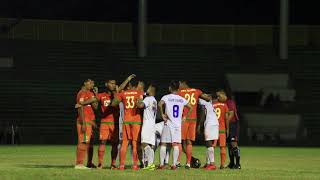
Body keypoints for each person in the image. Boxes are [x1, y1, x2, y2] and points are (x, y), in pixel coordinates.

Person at [158, 80, 192, 170]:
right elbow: (190, 107)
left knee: (164, 144)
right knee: (176, 144)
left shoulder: (166, 97)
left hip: (168, 123)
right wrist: (185, 117)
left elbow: (159, 104)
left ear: (170, 88)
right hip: (177, 124)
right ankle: (173, 165)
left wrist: (162, 114)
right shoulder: (181, 99)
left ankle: (161, 165)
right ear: (178, 89)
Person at [111, 79, 144, 170]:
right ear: (137, 85)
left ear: (129, 85)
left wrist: (118, 95)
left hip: (126, 120)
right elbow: (140, 104)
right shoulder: (139, 92)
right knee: (134, 143)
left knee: (124, 143)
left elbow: (113, 104)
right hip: (136, 120)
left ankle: (121, 165)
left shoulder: (123, 93)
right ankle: (135, 165)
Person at [178, 80, 211, 168]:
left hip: (184, 119)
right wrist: (208, 96)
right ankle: (188, 163)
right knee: (189, 142)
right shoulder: (197, 91)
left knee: (180, 141)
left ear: (183, 83)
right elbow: (207, 99)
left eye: (179, 84)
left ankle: (177, 162)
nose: (179, 86)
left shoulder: (180, 92)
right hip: (193, 120)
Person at [74, 79, 98, 170]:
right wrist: (83, 123)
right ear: (85, 83)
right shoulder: (82, 92)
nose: (92, 85)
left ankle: (88, 163)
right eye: (91, 83)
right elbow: (80, 106)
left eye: (93, 83)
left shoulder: (90, 93)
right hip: (84, 121)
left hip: (90, 121)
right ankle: (79, 164)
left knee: (88, 143)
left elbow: (95, 107)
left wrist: (95, 95)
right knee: (83, 141)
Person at [216, 89, 241, 169]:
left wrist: (223, 123)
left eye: (219, 96)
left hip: (233, 124)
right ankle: (231, 163)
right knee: (229, 145)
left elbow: (231, 114)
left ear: (224, 95)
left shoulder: (230, 102)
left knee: (233, 143)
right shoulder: (222, 103)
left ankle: (238, 164)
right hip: (226, 125)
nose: (218, 98)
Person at [137, 84, 157, 170]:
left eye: (148, 88)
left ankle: (150, 163)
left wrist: (139, 99)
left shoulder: (148, 99)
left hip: (147, 124)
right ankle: (150, 164)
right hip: (152, 124)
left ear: (151, 89)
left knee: (144, 143)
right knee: (150, 144)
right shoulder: (154, 100)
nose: (146, 89)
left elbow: (140, 105)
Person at [199, 99, 219, 170]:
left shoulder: (203, 102)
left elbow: (202, 114)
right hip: (215, 123)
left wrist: (200, 125)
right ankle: (208, 163)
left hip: (209, 124)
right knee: (209, 144)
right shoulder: (210, 103)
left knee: (208, 143)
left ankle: (212, 164)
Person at [212, 94, 229, 169]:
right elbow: (226, 118)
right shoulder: (224, 105)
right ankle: (222, 164)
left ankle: (210, 163)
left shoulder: (211, 105)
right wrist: (227, 128)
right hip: (222, 129)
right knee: (223, 147)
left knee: (211, 147)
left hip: (213, 128)